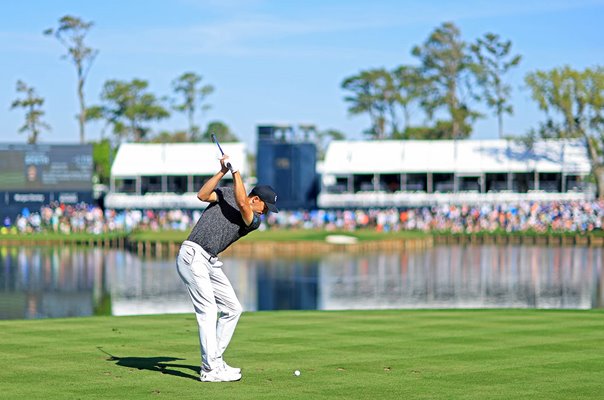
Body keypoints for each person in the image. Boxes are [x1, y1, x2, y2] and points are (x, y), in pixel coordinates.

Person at [176, 154, 278, 382]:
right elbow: (202, 195)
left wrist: (236, 171)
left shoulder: (253, 220)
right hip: (193, 254)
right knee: (209, 311)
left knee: (233, 308)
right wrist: (223, 171)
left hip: (209, 261)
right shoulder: (228, 192)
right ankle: (210, 370)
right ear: (257, 199)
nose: (267, 212)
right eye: (267, 206)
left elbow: (242, 203)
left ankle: (216, 360)